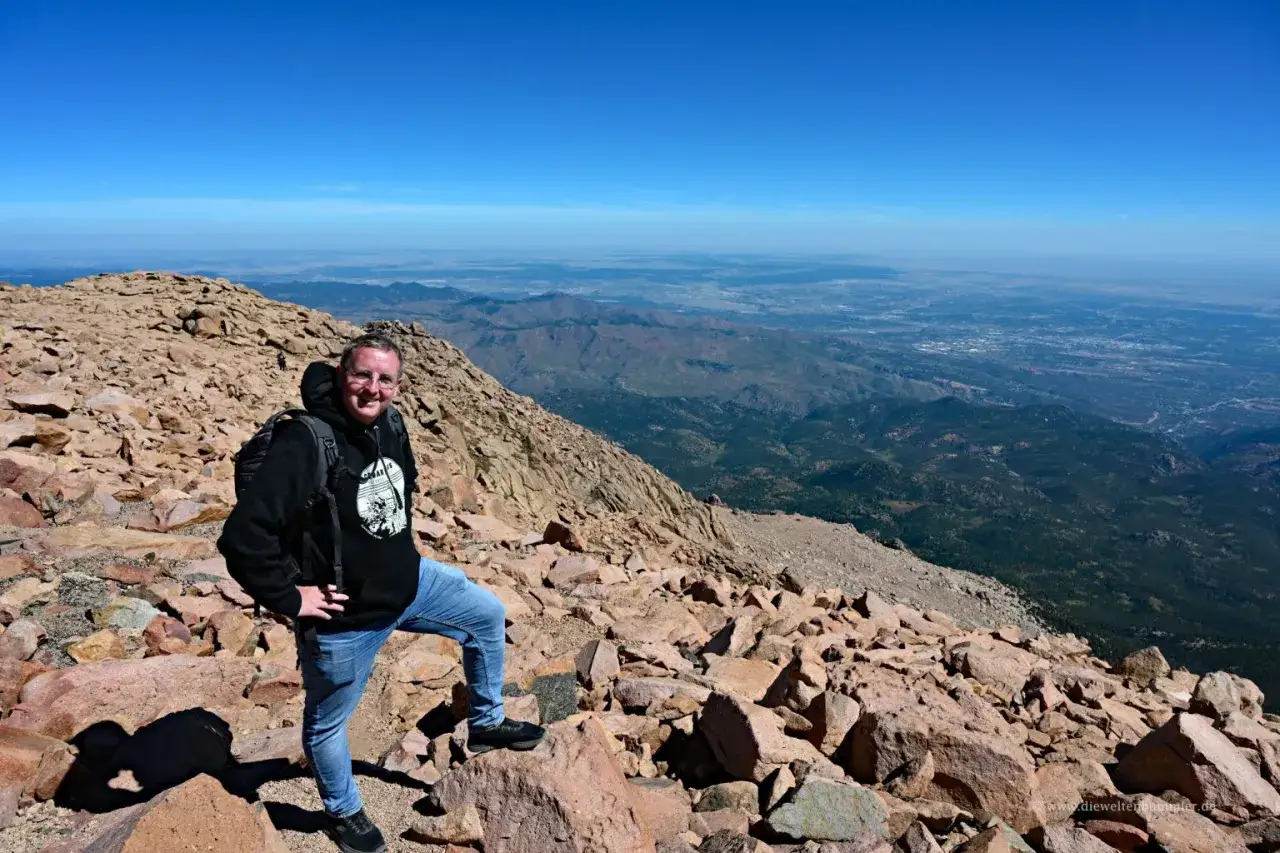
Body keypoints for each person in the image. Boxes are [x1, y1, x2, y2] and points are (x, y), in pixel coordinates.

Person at [218, 333, 544, 853]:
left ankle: (486, 722)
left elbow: (396, 498)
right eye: (362, 375)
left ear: (398, 386)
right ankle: (342, 810)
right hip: (345, 618)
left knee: (486, 615)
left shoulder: (391, 423)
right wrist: (291, 597)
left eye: (384, 379)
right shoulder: (306, 440)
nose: (372, 388)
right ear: (341, 374)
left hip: (411, 585)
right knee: (328, 725)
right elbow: (241, 536)